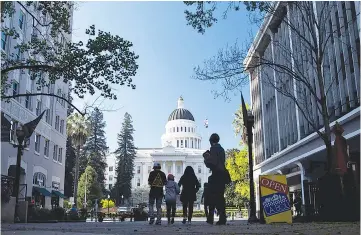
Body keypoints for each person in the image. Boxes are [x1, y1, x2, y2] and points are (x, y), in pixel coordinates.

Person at [204, 133, 227, 225]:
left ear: (211, 141)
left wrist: (206, 157)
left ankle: (211, 217)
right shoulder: (222, 149)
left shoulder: (213, 149)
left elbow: (212, 163)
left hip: (216, 175)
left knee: (212, 196)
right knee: (220, 196)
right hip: (222, 174)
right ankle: (222, 217)